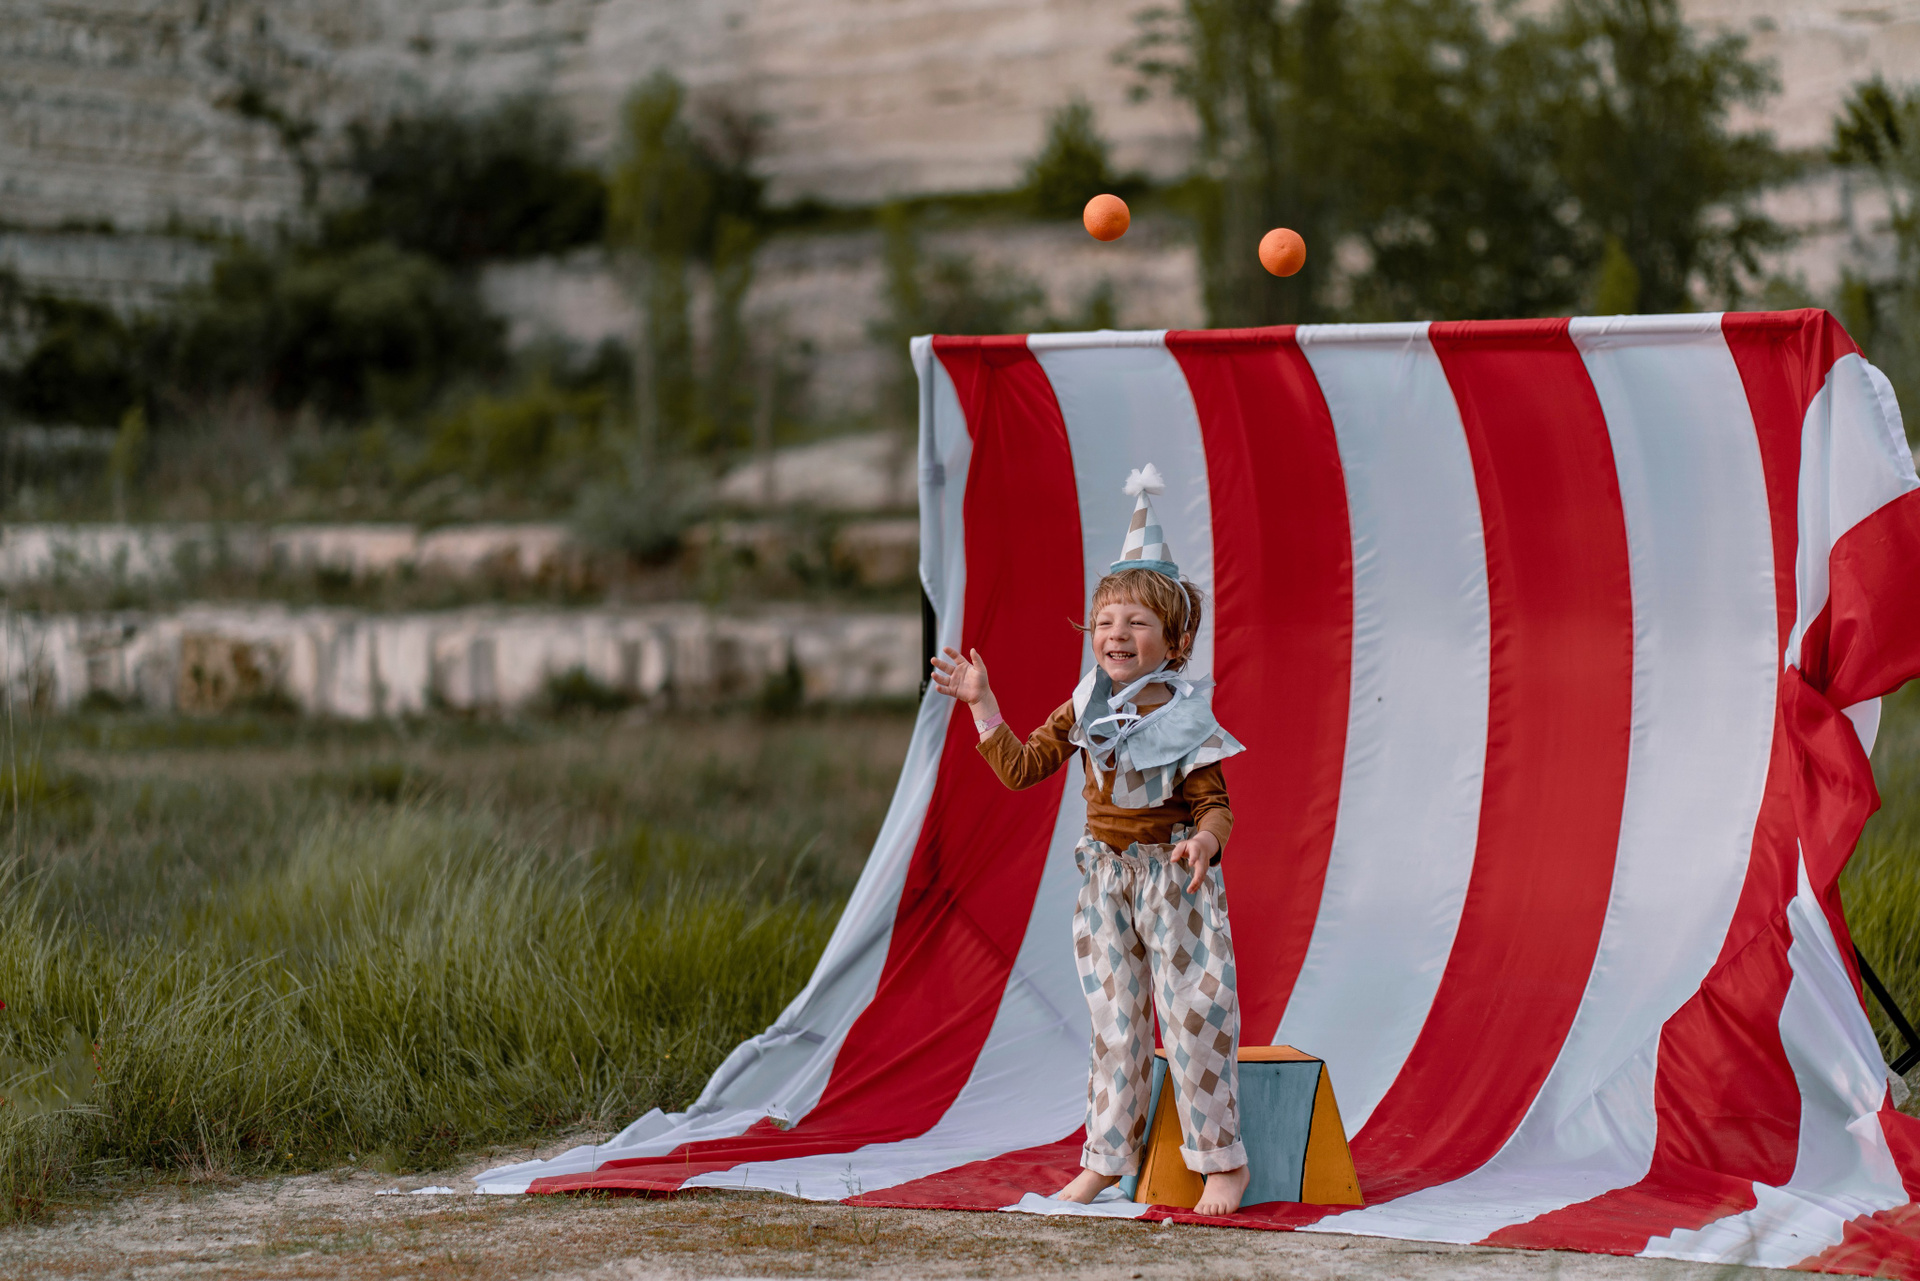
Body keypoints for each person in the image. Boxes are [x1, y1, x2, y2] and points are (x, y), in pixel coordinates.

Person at [929, 463, 1252, 1217]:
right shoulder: (1083, 707)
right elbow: (1022, 769)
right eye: (1106, 622)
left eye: (1136, 622)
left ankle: (1221, 1161)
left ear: (1173, 640)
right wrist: (983, 706)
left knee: (1197, 1014)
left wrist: (1204, 845)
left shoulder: (1186, 717)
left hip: (1174, 883)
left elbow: (1216, 806)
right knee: (1116, 1024)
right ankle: (1107, 1159)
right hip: (1107, 884)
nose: (1116, 634)